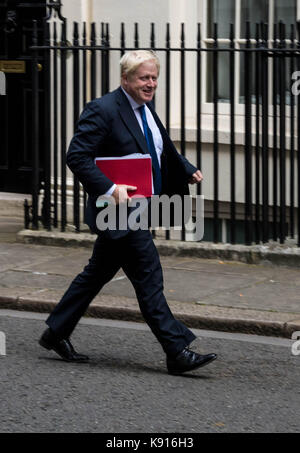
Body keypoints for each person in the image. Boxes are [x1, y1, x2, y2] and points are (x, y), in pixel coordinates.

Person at [39, 50, 217, 375]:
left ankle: (55, 331)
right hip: (119, 211)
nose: (151, 84)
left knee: (97, 273)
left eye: (154, 78)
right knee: (149, 274)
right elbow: (77, 157)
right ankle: (177, 351)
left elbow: (160, 144)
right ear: (126, 79)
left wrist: (186, 168)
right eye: (144, 78)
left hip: (142, 207)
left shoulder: (145, 107)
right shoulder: (103, 109)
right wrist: (109, 188)